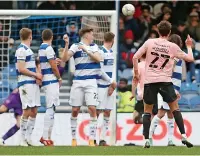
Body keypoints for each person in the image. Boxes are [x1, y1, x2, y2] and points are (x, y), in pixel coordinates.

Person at [132, 21, 194, 148]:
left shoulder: (149, 42)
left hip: (150, 81)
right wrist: (188, 46)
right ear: (169, 32)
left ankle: (147, 140)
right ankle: (183, 135)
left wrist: (137, 73)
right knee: (175, 109)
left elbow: (135, 57)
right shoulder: (173, 46)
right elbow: (190, 59)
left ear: (158, 31)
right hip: (165, 81)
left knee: (147, 111)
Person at [62, 28, 101, 146]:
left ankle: (92, 139)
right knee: (75, 110)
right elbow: (64, 59)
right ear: (86, 35)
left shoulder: (94, 47)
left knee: (92, 108)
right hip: (78, 81)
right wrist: (67, 44)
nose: (93, 36)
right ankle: (74, 138)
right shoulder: (75, 46)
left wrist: (86, 50)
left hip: (91, 81)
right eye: (91, 34)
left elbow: (98, 58)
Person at [149, 34, 184, 146]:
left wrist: (177, 90)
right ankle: (148, 136)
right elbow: (170, 69)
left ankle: (170, 139)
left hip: (174, 87)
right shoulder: (172, 55)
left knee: (170, 113)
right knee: (162, 112)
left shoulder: (177, 54)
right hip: (169, 87)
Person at [15, 28, 42, 146]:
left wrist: (37, 75)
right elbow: (20, 68)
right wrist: (35, 74)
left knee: (34, 110)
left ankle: (29, 138)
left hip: (33, 83)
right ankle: (22, 139)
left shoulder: (28, 50)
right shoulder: (21, 50)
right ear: (30, 36)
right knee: (26, 110)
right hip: (25, 83)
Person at [38, 29, 63, 146]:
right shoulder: (48, 48)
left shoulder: (41, 48)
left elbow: (50, 63)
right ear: (51, 37)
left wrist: (54, 61)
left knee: (52, 107)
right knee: (50, 107)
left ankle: (47, 136)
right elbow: (53, 66)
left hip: (46, 80)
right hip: (51, 80)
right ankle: (44, 136)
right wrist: (59, 78)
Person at [96, 32, 117, 146]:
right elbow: (100, 70)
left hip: (109, 86)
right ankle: (93, 138)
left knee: (108, 111)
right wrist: (111, 82)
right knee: (98, 111)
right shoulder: (101, 52)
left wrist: (112, 85)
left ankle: (103, 139)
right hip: (101, 86)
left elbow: (112, 69)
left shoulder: (112, 52)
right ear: (112, 40)